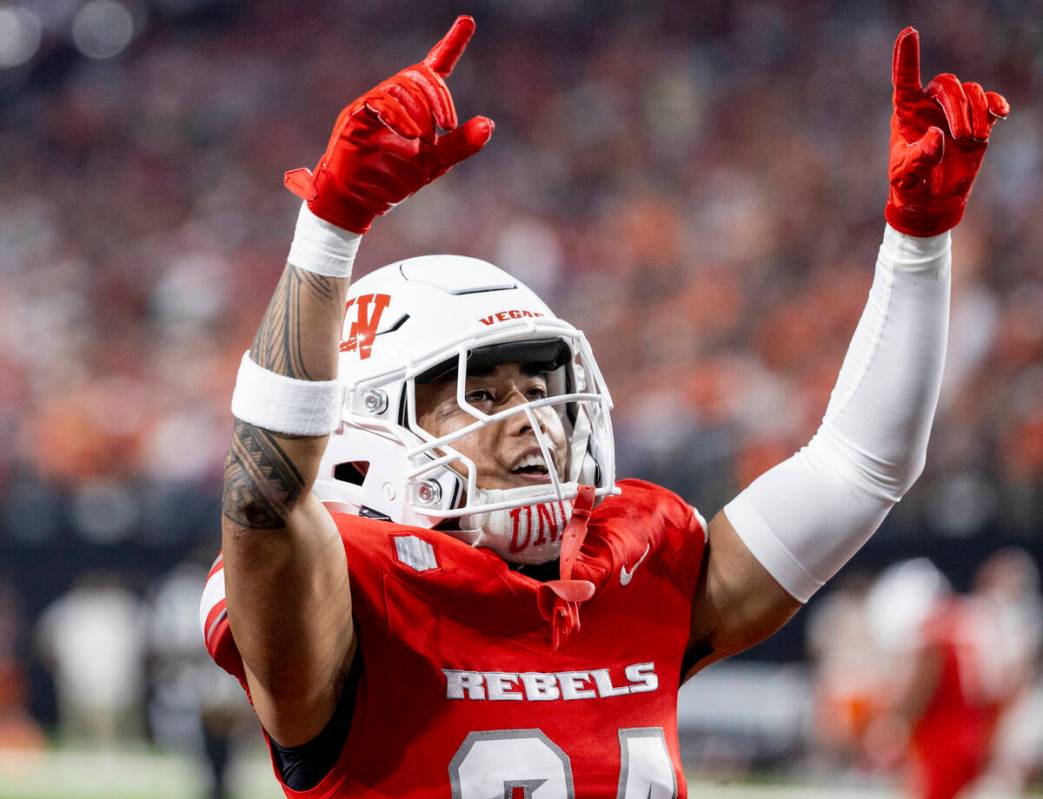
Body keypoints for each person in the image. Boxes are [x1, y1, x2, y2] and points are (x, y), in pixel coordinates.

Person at [199, 16, 1010, 797]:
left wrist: (917, 240)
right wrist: (329, 230)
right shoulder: (353, 594)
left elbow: (856, 470)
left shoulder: (629, 569)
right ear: (365, 433)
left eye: (538, 387)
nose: (532, 417)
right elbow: (264, 496)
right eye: (480, 392)